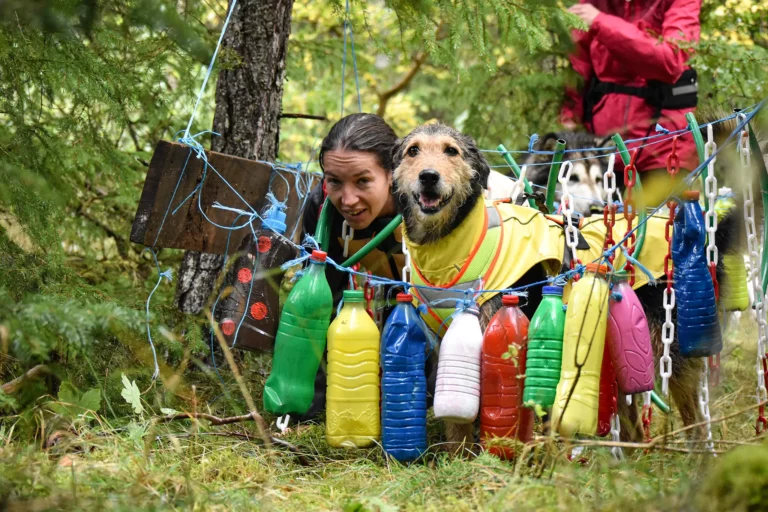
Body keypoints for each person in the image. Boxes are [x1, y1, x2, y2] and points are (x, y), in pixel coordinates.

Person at [562, 0, 702, 207]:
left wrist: (601, 22)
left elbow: (670, 60)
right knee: (603, 233)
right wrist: (570, 119)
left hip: (665, 150)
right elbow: (579, 66)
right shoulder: (596, 3)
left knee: (661, 233)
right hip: (606, 150)